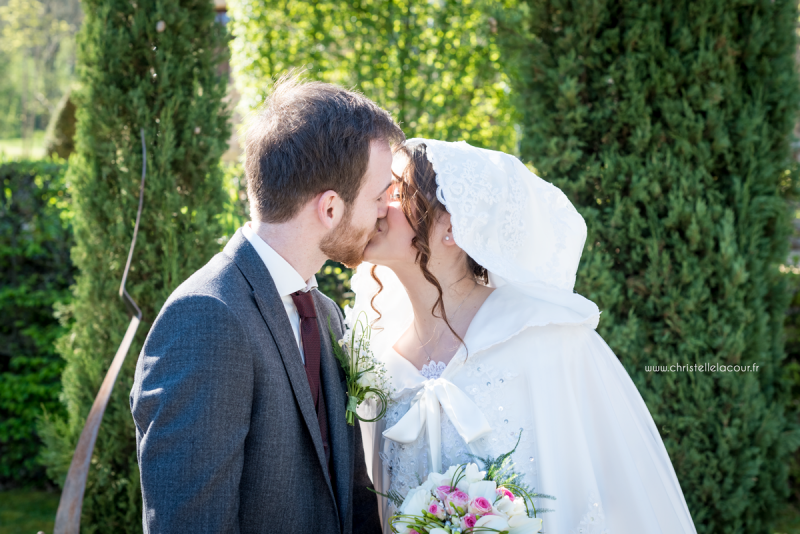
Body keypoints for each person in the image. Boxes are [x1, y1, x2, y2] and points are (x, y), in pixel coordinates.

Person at [352, 139, 698, 534]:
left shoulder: (548, 339)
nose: (376, 205)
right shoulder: (376, 362)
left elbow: (614, 496)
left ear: (451, 225)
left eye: (395, 193)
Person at [129, 75, 404, 533]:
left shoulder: (327, 314)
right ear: (330, 208)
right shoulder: (205, 319)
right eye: (379, 197)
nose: (385, 212)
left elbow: (350, 495)